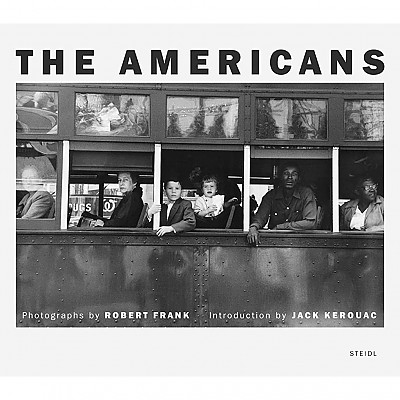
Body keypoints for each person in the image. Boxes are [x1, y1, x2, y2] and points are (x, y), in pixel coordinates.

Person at [247, 162, 317, 245]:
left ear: (299, 178)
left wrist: (280, 227)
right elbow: (260, 218)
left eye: (294, 174)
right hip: (274, 243)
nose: (290, 177)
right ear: (280, 177)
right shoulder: (271, 196)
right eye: (286, 173)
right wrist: (253, 227)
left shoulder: (306, 194)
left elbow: (310, 222)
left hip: (299, 243)